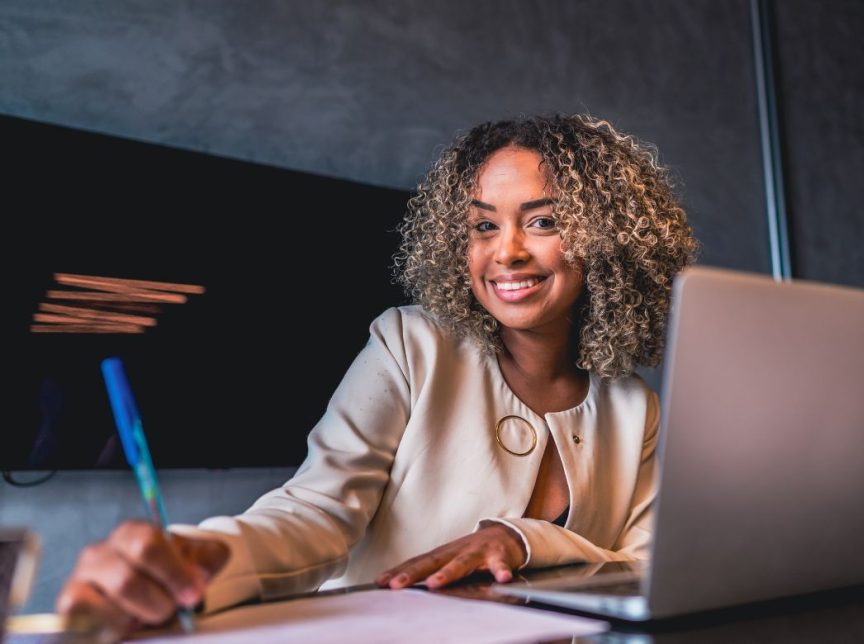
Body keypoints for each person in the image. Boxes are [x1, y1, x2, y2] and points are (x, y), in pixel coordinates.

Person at [56, 113, 698, 634]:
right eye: (482, 225)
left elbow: (645, 566)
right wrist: (209, 554)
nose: (506, 251)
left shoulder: (630, 404)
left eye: (544, 221)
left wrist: (522, 540)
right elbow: (316, 510)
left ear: (609, 240)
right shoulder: (410, 342)